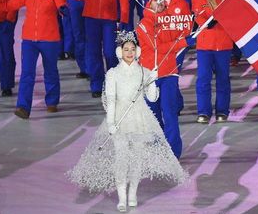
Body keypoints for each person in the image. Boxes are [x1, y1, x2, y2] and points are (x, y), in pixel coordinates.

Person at [68, 31, 187, 212]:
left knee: (136, 159)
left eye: (132, 49)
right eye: (126, 49)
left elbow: (153, 98)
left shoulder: (143, 72)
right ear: (119, 52)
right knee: (122, 159)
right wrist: (111, 123)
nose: (129, 53)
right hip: (120, 119)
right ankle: (122, 197)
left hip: (140, 119)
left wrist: (153, 81)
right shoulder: (113, 74)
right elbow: (111, 100)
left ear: (137, 51)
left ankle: (132, 195)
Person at [136, 0, 194, 158]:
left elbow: (182, 32)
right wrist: (183, 42)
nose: (160, 3)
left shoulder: (170, 21)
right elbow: (158, 47)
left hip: (169, 74)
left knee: (170, 113)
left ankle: (174, 153)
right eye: (156, 0)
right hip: (150, 77)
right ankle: (157, 149)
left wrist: (190, 30)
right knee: (153, 116)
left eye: (162, 0)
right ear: (149, 4)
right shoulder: (143, 25)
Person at [6, 0, 67, 119]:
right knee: (27, 73)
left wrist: (63, 8)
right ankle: (23, 107)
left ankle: (52, 102)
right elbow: (11, 4)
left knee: (50, 71)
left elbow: (61, 3)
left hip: (49, 39)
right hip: (29, 40)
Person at [193, 0, 233, 123]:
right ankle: (203, 111)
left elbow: (232, 18)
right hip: (205, 47)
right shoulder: (201, 1)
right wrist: (214, 18)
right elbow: (201, 18)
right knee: (203, 79)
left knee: (223, 79)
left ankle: (222, 110)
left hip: (223, 46)